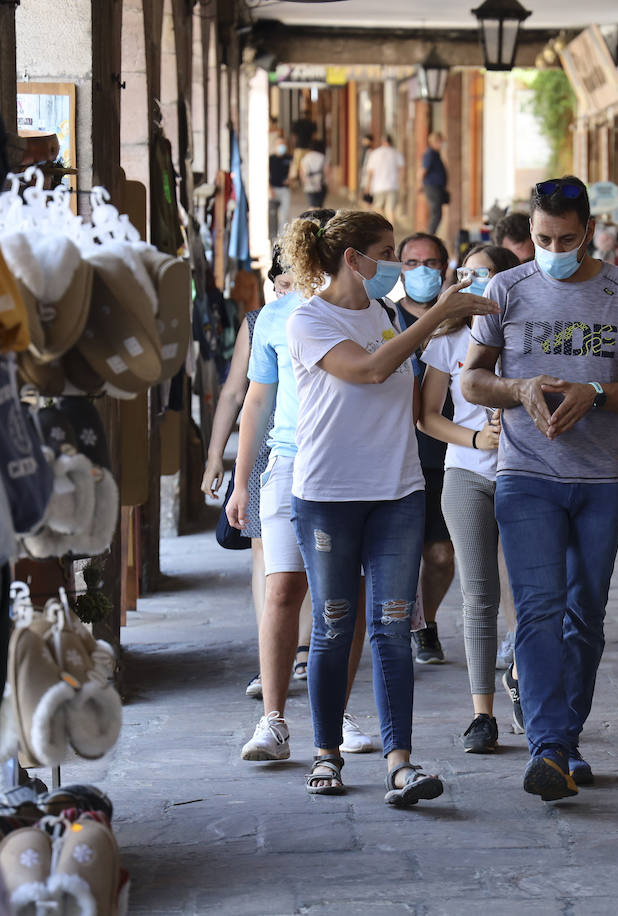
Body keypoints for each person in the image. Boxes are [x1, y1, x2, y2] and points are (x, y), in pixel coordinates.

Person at [462, 176, 618, 802]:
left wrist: (598, 393)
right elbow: (471, 381)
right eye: (543, 238)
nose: (554, 248)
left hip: (602, 480)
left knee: (586, 615)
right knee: (539, 609)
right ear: (529, 232)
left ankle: (567, 737)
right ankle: (548, 747)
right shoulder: (507, 288)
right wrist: (516, 389)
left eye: (567, 238)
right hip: (525, 476)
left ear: (589, 233)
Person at [280, 209, 497, 803]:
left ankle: (399, 759)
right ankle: (325, 753)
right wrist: (436, 319)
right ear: (354, 259)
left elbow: (410, 389)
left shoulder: (380, 315)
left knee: (394, 626)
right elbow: (371, 370)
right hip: (328, 495)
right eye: (387, 253)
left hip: (397, 491)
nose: (396, 266)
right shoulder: (309, 321)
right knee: (333, 624)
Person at [226, 212, 376, 763]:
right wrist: (242, 483)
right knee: (283, 587)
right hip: (289, 462)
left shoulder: (370, 312)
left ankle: (336, 713)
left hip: (353, 465)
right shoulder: (275, 316)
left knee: (349, 596)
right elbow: (256, 403)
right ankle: (273, 720)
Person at [419, 243, 521, 753]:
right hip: (466, 475)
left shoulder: (528, 334)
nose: (478, 282)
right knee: (478, 593)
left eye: (488, 274)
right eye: (470, 273)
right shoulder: (447, 339)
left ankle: (525, 684)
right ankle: (482, 714)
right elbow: (427, 415)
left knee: (528, 593)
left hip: (526, 474)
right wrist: (477, 439)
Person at [200, 293, 274, 700]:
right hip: (262, 448)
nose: (288, 290)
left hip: (320, 449)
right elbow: (235, 394)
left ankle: (301, 651)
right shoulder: (260, 320)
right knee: (264, 553)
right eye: (281, 283)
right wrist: (216, 458)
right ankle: (270, 658)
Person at [394, 233, 456, 665]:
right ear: (399, 269)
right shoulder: (381, 316)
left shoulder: (458, 320)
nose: (422, 271)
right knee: (396, 556)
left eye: (431, 263)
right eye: (412, 263)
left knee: (438, 553)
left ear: (446, 268)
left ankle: (427, 623)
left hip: (443, 452)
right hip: (391, 454)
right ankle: (396, 629)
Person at [363, 135, 405, 220]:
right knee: (391, 210)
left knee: (378, 209)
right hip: (392, 185)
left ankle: (381, 227)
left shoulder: (375, 153)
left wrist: (368, 186)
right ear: (391, 142)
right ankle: (391, 229)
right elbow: (402, 169)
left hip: (378, 186)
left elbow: (370, 172)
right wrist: (402, 183)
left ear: (382, 142)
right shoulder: (396, 153)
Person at [419, 132, 448, 235]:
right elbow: (423, 170)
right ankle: (430, 236)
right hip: (432, 187)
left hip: (437, 187)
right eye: (440, 142)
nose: (442, 144)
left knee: (437, 214)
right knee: (436, 214)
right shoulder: (430, 154)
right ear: (435, 142)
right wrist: (420, 185)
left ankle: (431, 235)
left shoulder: (435, 154)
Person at [269, 140, 293, 233]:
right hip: (273, 189)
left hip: (285, 190)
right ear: (275, 146)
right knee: (272, 215)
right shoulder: (271, 159)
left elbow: (294, 171)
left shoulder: (289, 158)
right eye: (279, 145)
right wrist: (269, 188)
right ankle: (273, 235)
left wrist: (291, 179)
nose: (281, 147)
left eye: (283, 144)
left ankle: (282, 236)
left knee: (284, 214)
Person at [300, 139, 328, 209]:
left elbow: (302, 172)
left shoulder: (305, 157)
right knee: (319, 206)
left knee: (312, 205)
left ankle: (312, 218)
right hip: (320, 184)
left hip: (309, 184)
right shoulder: (322, 157)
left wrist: (303, 182)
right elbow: (326, 171)